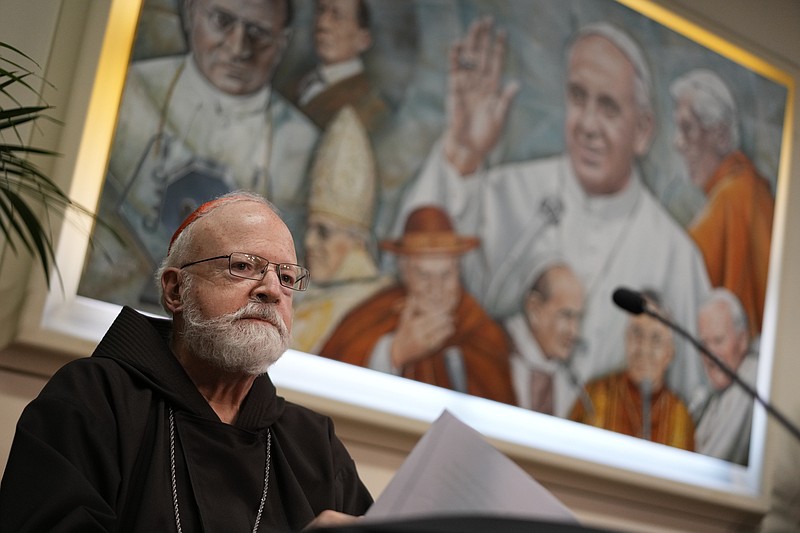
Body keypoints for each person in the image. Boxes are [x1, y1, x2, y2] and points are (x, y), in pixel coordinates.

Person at [0, 192, 372, 531]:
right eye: (243, 266)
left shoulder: (313, 441)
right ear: (175, 289)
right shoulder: (93, 398)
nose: (272, 289)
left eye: (287, 276)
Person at [395, 19, 711, 411]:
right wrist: (461, 152)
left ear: (644, 130)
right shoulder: (506, 192)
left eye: (609, 107)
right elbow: (414, 266)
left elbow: (689, 405)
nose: (589, 125)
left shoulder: (676, 257)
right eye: (579, 98)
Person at [79, 0, 319, 312]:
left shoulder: (303, 144)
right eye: (222, 21)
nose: (238, 48)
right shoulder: (128, 91)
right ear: (191, 13)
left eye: (258, 32)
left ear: (282, 42)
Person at [319, 205, 515, 404]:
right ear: (405, 273)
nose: (436, 289)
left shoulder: (480, 327)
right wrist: (394, 352)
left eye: (446, 275)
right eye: (424, 275)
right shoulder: (375, 312)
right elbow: (329, 381)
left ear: (458, 272)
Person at [670, 68, 774, 337]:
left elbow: (679, 275)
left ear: (720, 135)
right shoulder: (748, 186)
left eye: (687, 128)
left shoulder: (734, 195)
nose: (677, 143)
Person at [291, 106, 392, 354]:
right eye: (310, 228)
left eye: (323, 232)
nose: (309, 241)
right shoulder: (300, 295)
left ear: (358, 243)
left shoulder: (378, 308)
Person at [569, 290, 695, 451]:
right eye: (637, 334)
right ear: (626, 338)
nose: (643, 349)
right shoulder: (594, 395)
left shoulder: (680, 416)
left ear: (670, 352)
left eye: (655, 339)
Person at [291, 0, 389, 133]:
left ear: (363, 40)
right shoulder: (296, 84)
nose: (322, 24)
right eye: (320, 11)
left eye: (338, 16)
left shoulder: (370, 105)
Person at [504, 261, 586, 417]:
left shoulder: (572, 380)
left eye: (578, 317)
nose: (574, 331)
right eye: (566, 315)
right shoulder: (493, 350)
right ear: (534, 308)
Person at [692, 288, 757, 465]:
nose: (710, 354)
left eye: (718, 340)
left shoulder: (749, 381)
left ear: (742, 340)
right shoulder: (715, 392)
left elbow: (712, 464)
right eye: (704, 344)